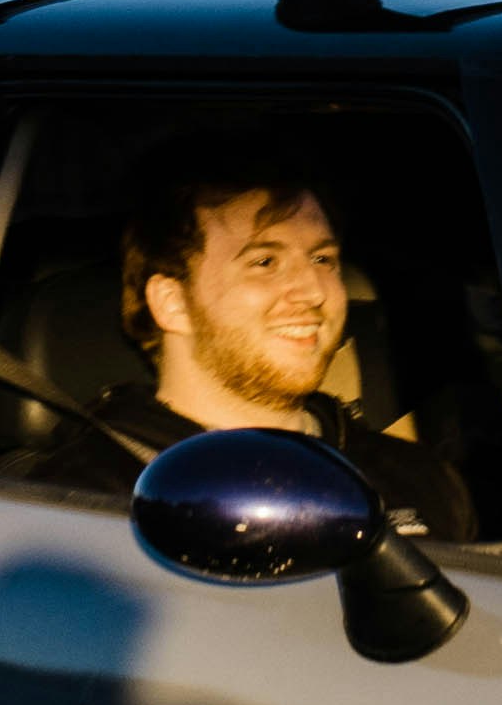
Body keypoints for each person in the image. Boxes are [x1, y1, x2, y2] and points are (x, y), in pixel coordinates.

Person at [123, 141, 475, 539]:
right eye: (265, 262)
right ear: (173, 303)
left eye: (323, 259)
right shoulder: (81, 502)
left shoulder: (419, 481)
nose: (313, 291)